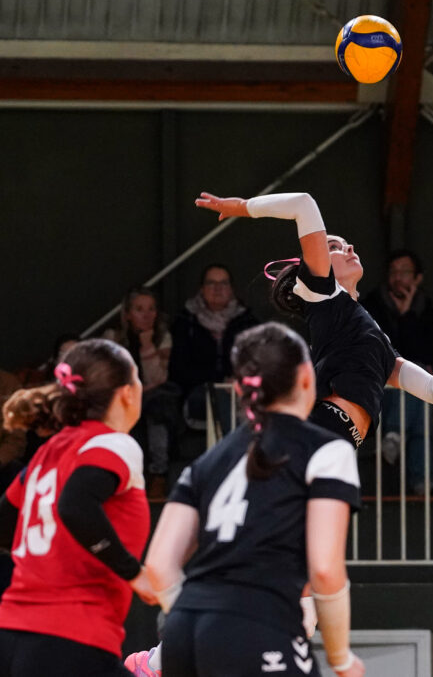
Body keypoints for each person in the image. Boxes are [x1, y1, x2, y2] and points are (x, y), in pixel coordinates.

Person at [194, 192, 433, 457]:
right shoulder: (322, 295)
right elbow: (303, 204)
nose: (349, 248)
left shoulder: (374, 337)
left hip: (339, 439)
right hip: (320, 425)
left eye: (346, 244)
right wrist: (242, 207)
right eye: (335, 247)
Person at [144, 322, 364, 677]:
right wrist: (341, 659)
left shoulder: (208, 460)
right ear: (307, 376)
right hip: (258, 624)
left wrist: (201, 618)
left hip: (183, 632)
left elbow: (158, 565)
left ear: (239, 388)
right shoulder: (326, 450)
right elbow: (325, 569)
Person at [0, 339, 157, 675]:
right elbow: (75, 505)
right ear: (127, 393)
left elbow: (5, 518)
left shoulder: (48, 451)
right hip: (70, 640)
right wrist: (134, 573)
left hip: (14, 635)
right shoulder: (115, 443)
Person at [362, 249, 433, 495]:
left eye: (405, 272)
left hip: (410, 391)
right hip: (380, 389)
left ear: (418, 278)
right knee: (416, 384)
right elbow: (388, 352)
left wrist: (407, 313)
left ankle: (395, 437)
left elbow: (420, 352)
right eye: (394, 272)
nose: (398, 278)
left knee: (418, 395)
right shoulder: (371, 307)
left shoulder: (431, 315)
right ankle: (423, 479)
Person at [104, 287, 179, 499]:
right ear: (127, 314)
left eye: (151, 309)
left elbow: (158, 378)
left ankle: (159, 475)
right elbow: (111, 378)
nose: (147, 315)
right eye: (139, 309)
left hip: (152, 396)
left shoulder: (163, 337)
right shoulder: (113, 338)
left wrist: (147, 344)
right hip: (123, 396)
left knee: (159, 405)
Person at [168, 264, 259, 435]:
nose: (218, 289)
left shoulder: (247, 322)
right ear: (201, 288)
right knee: (222, 396)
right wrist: (220, 381)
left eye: (223, 283)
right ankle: (235, 454)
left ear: (231, 289)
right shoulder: (185, 323)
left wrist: (238, 380)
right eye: (211, 283)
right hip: (198, 392)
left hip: (241, 389)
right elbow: (178, 369)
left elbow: (258, 362)